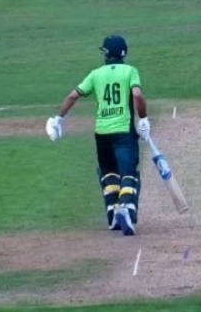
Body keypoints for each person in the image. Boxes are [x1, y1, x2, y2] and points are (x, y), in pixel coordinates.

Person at [45, 35, 152, 236]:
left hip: (102, 133)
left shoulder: (95, 74)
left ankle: (113, 215)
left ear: (107, 54)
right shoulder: (130, 71)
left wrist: (59, 118)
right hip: (123, 131)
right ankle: (126, 207)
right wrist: (144, 118)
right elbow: (137, 95)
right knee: (128, 173)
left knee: (109, 173)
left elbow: (73, 95)